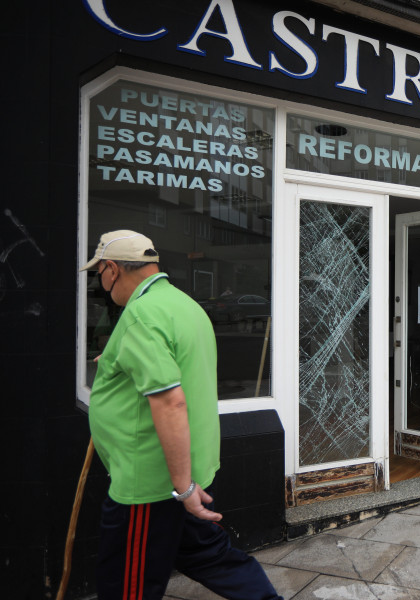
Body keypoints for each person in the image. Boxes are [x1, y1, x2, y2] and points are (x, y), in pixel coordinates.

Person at [80, 230, 281, 600]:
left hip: (153, 485)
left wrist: (182, 488)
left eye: (99, 275)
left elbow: (170, 401)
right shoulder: (184, 305)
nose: (102, 285)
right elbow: (177, 367)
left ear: (112, 269)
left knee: (128, 585)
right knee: (211, 557)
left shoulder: (141, 313)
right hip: (190, 474)